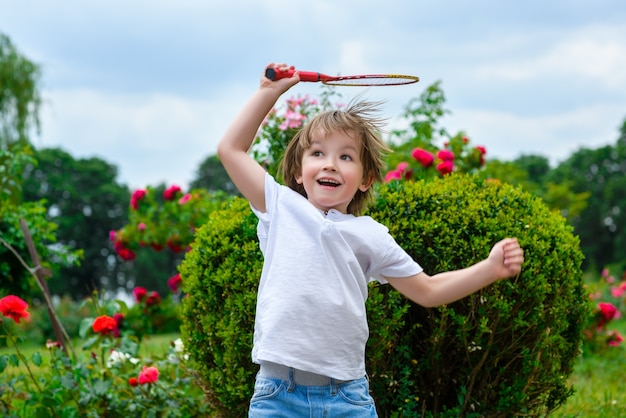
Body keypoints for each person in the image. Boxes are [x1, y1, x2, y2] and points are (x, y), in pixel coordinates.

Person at [216, 63, 525, 417]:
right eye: (318, 153)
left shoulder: (371, 235)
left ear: (365, 179)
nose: (330, 164)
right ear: (299, 172)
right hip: (277, 395)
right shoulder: (280, 207)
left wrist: (489, 268)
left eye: (346, 157)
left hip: (346, 398)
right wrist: (269, 93)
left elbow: (427, 290)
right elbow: (231, 149)